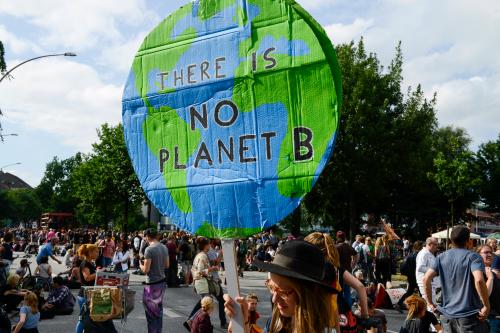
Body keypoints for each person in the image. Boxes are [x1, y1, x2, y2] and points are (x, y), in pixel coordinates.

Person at [224, 240, 338, 333]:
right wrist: (243, 324)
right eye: (272, 288)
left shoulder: (325, 330)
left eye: (284, 292)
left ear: (308, 294)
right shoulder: (276, 321)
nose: (274, 299)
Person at [423, 226, 490, 333]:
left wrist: (430, 302)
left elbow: (426, 278)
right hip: (469, 315)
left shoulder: (441, 257)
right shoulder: (473, 257)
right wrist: (486, 305)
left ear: (451, 241)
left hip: (447, 316)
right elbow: (479, 280)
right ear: (468, 240)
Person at [186, 238, 227, 330]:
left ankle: (192, 321)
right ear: (205, 246)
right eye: (208, 244)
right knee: (206, 304)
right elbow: (200, 271)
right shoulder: (203, 256)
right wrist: (211, 269)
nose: (209, 246)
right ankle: (192, 321)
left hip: (202, 283)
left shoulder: (201, 255)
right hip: (202, 283)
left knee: (205, 303)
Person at [140, 229, 169, 333]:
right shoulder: (164, 247)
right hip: (161, 282)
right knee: (158, 312)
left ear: (147, 236)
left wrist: (140, 264)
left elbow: (146, 270)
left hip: (152, 284)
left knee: (151, 314)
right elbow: (167, 265)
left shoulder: (149, 249)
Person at [476, 244, 500, 333]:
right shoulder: (478, 274)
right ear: (478, 255)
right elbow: (483, 296)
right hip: (489, 319)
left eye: (491, 252)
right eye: (486, 252)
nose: (489, 255)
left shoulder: (492, 273)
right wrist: (490, 278)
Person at [397, 241, 422, 311]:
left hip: (410, 276)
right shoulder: (418, 255)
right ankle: (422, 307)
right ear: (419, 247)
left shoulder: (411, 254)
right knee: (421, 292)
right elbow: (417, 267)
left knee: (410, 291)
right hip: (415, 276)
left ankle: (399, 303)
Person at [416, 237, 440, 308]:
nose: (437, 246)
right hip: (425, 282)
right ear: (429, 244)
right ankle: (431, 318)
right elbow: (420, 268)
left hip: (430, 283)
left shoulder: (430, 254)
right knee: (430, 305)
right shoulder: (424, 254)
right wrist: (434, 271)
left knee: (428, 304)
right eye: (435, 244)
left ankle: (426, 318)